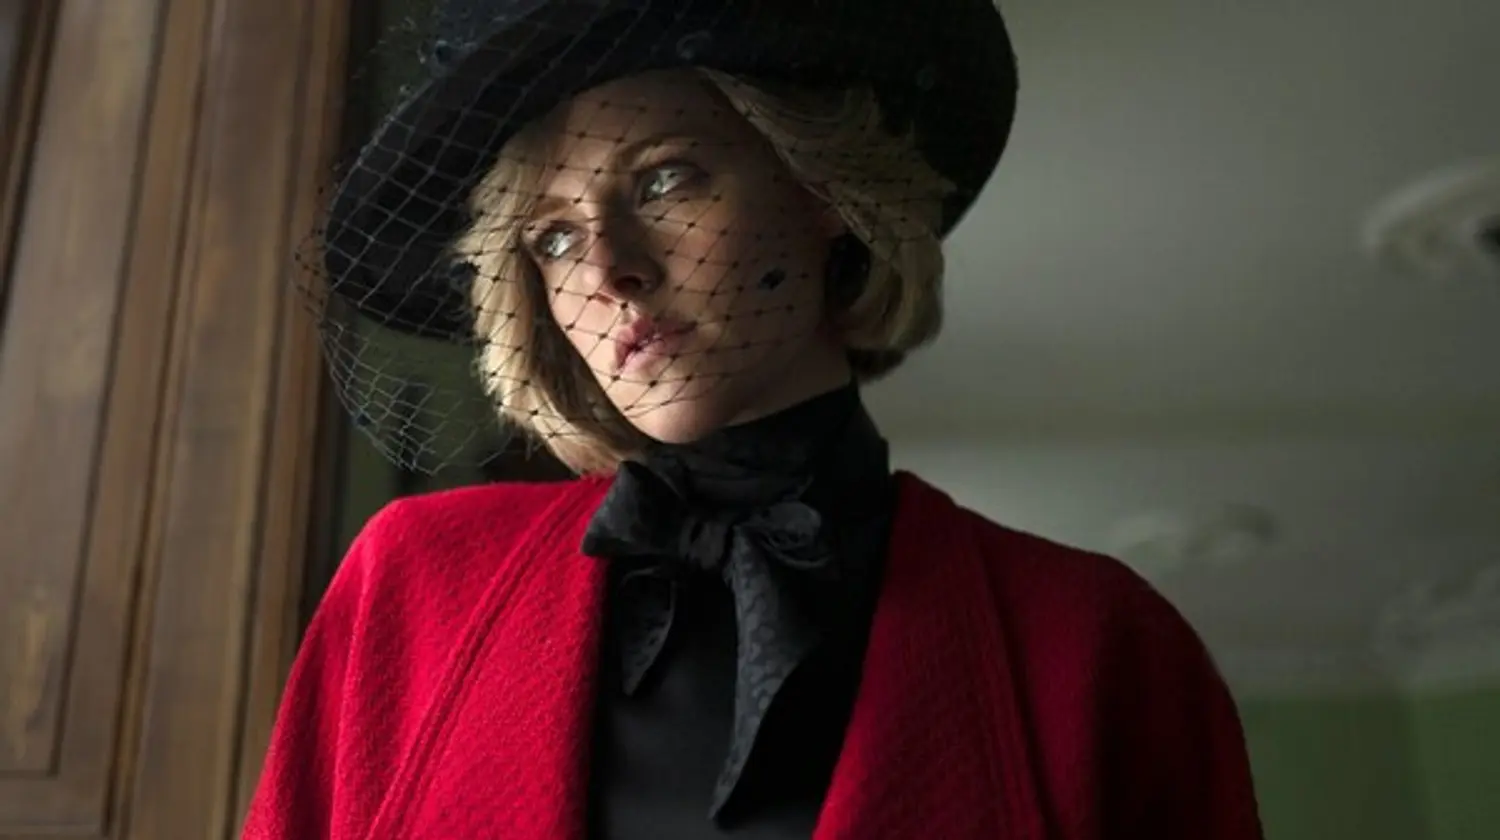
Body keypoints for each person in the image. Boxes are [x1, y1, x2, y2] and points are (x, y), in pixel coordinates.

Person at [243, 1, 1265, 838]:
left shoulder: (1095, 643)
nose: (610, 269)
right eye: (551, 239)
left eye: (664, 178)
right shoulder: (414, 588)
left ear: (817, 185)